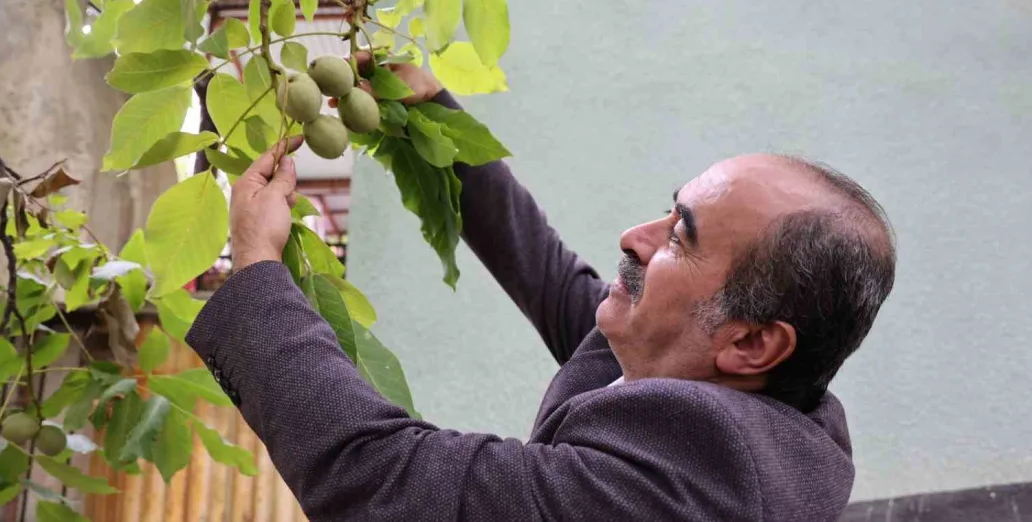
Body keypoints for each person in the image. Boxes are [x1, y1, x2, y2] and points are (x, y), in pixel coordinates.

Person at [186, 58, 897, 521]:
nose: (633, 235)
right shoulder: (742, 391)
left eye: (682, 235)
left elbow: (387, 483)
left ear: (751, 341)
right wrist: (441, 119)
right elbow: (561, 286)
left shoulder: (693, 485)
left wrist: (255, 269)